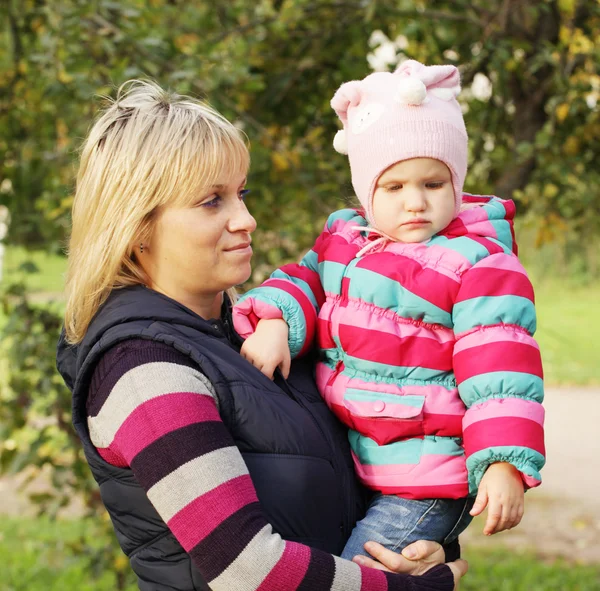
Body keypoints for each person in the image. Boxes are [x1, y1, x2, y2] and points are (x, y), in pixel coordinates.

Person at [56, 79, 468, 591]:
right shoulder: (143, 368)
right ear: (138, 229)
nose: (246, 219)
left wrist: (413, 545)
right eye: (212, 202)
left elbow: (346, 484)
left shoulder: (255, 331)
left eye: (241, 193)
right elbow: (249, 569)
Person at [233, 60, 546, 561]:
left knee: (358, 571)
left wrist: (503, 461)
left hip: (429, 479)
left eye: (433, 183)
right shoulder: (346, 240)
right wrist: (275, 320)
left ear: (457, 183)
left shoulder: (480, 265)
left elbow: (501, 370)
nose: (415, 202)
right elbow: (303, 278)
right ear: (367, 190)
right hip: (365, 459)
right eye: (395, 188)